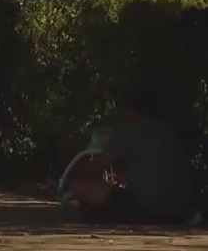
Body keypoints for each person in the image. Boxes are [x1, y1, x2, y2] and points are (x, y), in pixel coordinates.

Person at [67, 90, 198, 225]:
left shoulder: (131, 130)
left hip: (147, 209)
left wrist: (76, 175)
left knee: (78, 186)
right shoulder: (166, 131)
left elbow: (96, 165)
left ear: (129, 110)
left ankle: (100, 217)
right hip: (179, 211)